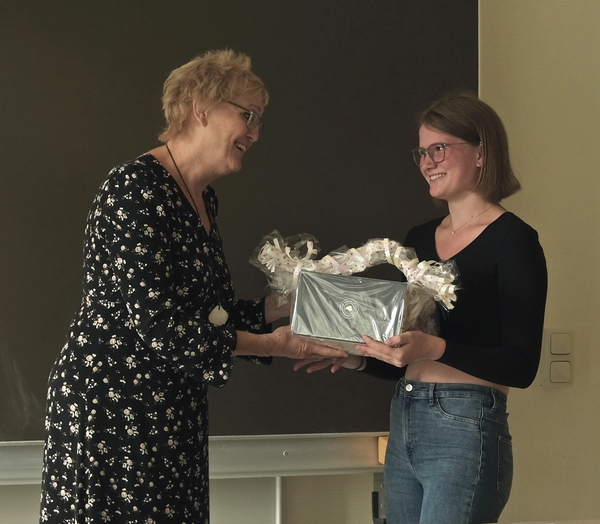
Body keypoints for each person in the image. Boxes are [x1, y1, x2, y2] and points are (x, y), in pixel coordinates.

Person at [39, 49, 347, 524]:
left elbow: (207, 315)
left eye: (259, 120)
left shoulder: (202, 198)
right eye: (247, 115)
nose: (255, 133)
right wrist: (275, 344)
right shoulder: (137, 188)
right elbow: (162, 326)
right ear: (201, 107)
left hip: (169, 412)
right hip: (114, 415)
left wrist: (287, 305)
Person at [295, 92, 547, 523]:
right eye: (422, 152)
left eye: (439, 149)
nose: (427, 162)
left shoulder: (515, 240)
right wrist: (357, 357)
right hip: (406, 415)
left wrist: (433, 348)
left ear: (482, 153)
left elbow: (521, 366)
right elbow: (407, 356)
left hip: (466, 423)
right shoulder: (419, 238)